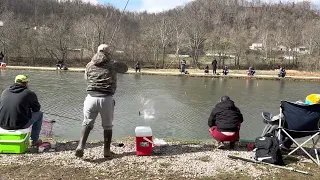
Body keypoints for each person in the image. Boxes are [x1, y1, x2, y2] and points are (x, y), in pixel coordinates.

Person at [75, 44, 118, 159]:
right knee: (108, 126)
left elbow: (86, 78)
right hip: (106, 98)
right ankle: (107, 151)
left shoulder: (89, 65)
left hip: (90, 98)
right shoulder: (112, 66)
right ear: (108, 53)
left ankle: (80, 146)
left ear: (97, 51)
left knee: (87, 123)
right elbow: (116, 77)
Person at [0, 75, 43, 146]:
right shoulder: (29, 93)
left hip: (2, 124)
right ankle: (34, 140)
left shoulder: (5, 91)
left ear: (15, 82)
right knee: (39, 114)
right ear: (26, 83)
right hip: (19, 125)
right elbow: (36, 109)